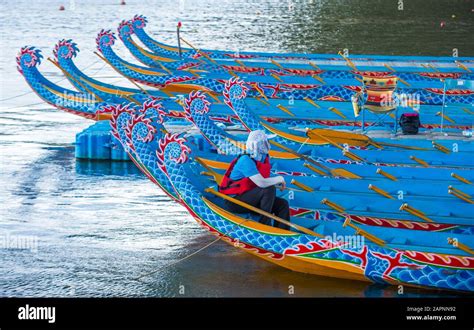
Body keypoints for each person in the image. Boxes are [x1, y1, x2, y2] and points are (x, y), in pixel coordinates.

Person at [218, 130, 290, 230]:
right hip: (234, 202)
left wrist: (276, 181)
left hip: (250, 199)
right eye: (266, 142)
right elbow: (262, 183)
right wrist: (279, 178)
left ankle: (282, 232)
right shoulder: (246, 160)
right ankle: (265, 226)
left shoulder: (260, 159)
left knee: (282, 204)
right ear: (259, 145)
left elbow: (261, 181)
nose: (268, 145)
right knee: (269, 188)